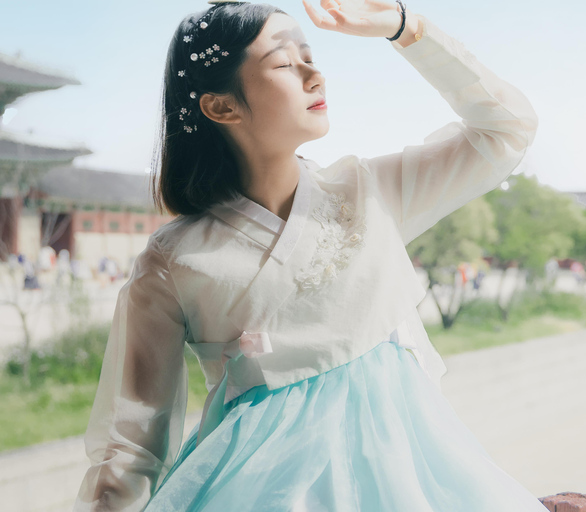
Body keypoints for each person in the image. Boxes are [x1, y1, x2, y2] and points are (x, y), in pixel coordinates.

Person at [74, 1, 540, 511]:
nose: (315, 75)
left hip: (407, 480)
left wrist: (408, 30)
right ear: (221, 106)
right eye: (283, 63)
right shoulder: (174, 261)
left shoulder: (370, 193)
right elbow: (133, 442)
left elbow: (508, 128)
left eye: (309, 55)